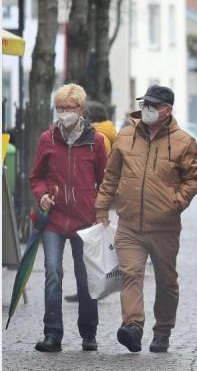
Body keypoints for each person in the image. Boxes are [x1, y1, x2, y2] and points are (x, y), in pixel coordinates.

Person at [95, 85, 197, 353]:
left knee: (166, 280)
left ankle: (163, 330)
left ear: (167, 110)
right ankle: (132, 325)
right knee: (131, 274)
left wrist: (176, 202)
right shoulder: (126, 135)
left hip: (164, 226)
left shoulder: (184, 141)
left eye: (153, 106)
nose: (147, 110)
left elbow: (194, 179)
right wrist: (101, 208)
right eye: (145, 104)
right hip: (129, 223)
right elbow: (111, 175)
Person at [29, 83, 108, 353]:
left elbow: (105, 180)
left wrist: (101, 209)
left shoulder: (95, 141)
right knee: (52, 272)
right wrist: (42, 195)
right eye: (61, 108)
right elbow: (36, 177)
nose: (65, 112)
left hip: (85, 220)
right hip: (54, 219)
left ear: (81, 109)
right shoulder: (47, 139)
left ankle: (89, 332)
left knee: (85, 278)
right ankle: (52, 334)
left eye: (70, 108)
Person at [64, 100, 119, 304]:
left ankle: (89, 290)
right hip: (97, 200)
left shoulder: (99, 137)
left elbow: (97, 170)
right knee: (89, 251)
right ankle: (87, 289)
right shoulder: (108, 132)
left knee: (88, 253)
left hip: (90, 202)